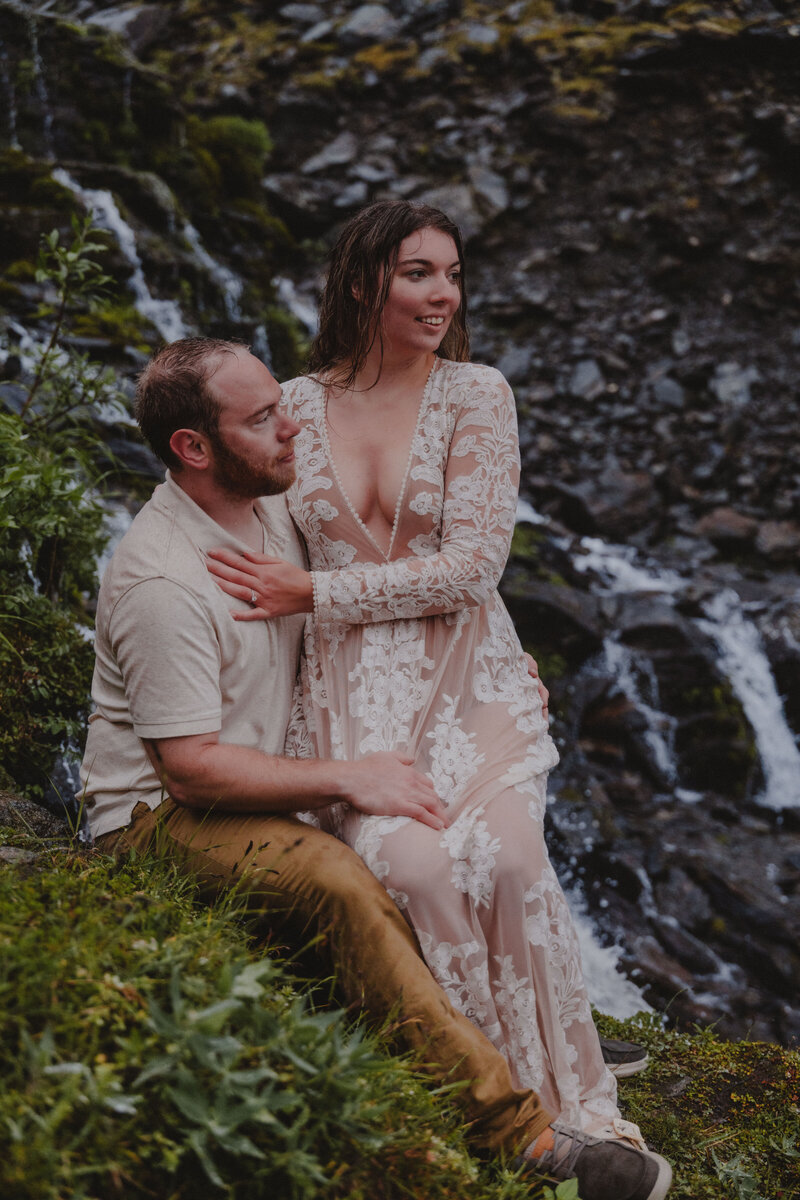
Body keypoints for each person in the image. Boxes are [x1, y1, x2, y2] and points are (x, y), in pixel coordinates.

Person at [79, 335, 670, 1200]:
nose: (292, 428)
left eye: (283, 403)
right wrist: (348, 777)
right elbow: (191, 773)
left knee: (472, 830)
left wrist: (498, 675)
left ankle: (525, 1026)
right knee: (344, 877)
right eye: (263, 418)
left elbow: (406, 585)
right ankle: (529, 1139)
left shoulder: (268, 505)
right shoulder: (161, 582)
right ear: (193, 449)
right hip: (156, 819)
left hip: (274, 753)